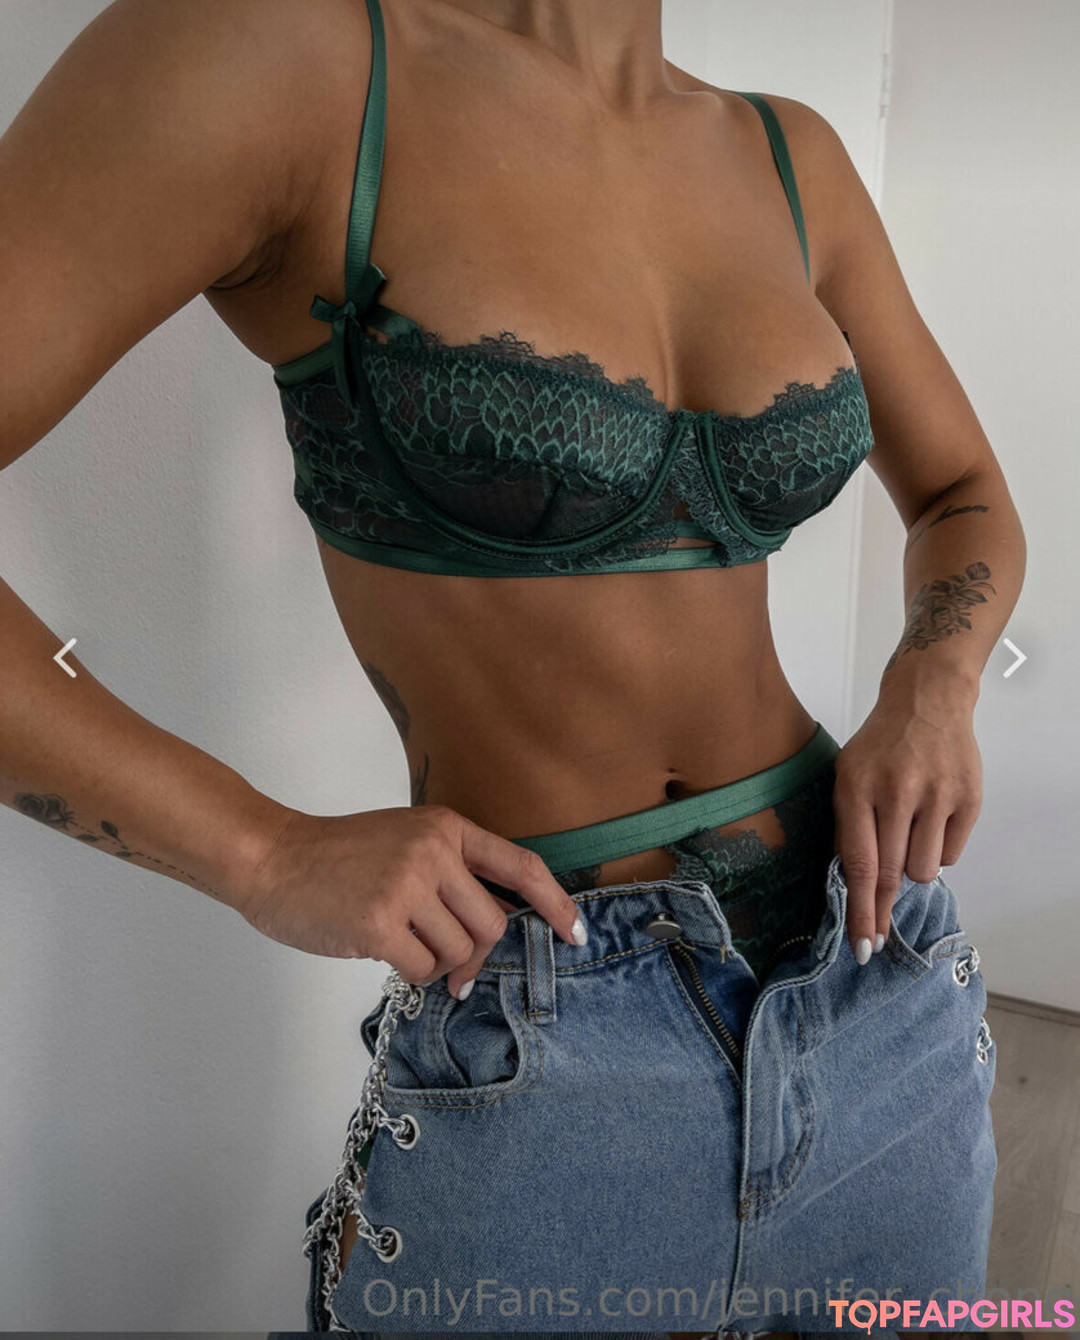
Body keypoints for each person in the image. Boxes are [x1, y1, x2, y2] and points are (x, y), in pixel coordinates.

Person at [1, 0, 1025, 1336]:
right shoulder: (281, 61)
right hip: (546, 1047)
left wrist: (935, 683)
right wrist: (261, 851)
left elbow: (960, 489)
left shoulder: (789, 157)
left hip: (880, 988)